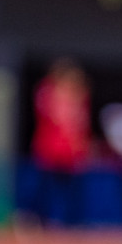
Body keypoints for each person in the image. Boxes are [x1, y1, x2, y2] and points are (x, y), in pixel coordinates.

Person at [31, 58, 92, 227]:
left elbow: (81, 125)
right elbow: (56, 119)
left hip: (71, 152)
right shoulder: (47, 92)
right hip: (51, 149)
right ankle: (43, 220)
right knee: (48, 189)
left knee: (72, 190)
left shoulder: (79, 97)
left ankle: (69, 222)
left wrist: (81, 145)